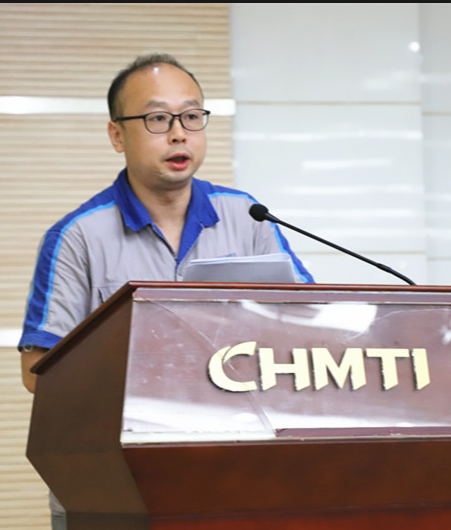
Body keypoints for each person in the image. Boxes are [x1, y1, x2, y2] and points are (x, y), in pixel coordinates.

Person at [18, 53, 313, 529]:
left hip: (237, 474)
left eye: (192, 116)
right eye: (158, 119)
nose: (179, 134)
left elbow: (310, 324)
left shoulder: (249, 218)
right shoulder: (77, 237)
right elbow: (38, 371)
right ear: (117, 135)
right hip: (116, 486)